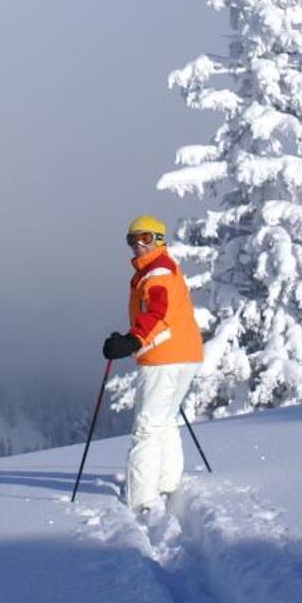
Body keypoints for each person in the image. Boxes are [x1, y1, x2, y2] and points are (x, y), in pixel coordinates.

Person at [101, 214, 204, 512]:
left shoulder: (156, 272)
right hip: (186, 354)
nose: (138, 245)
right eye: (132, 239)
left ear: (159, 240)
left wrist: (132, 340)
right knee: (165, 420)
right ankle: (168, 482)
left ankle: (142, 497)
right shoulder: (163, 269)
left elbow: (157, 312)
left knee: (146, 427)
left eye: (145, 238)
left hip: (162, 357)